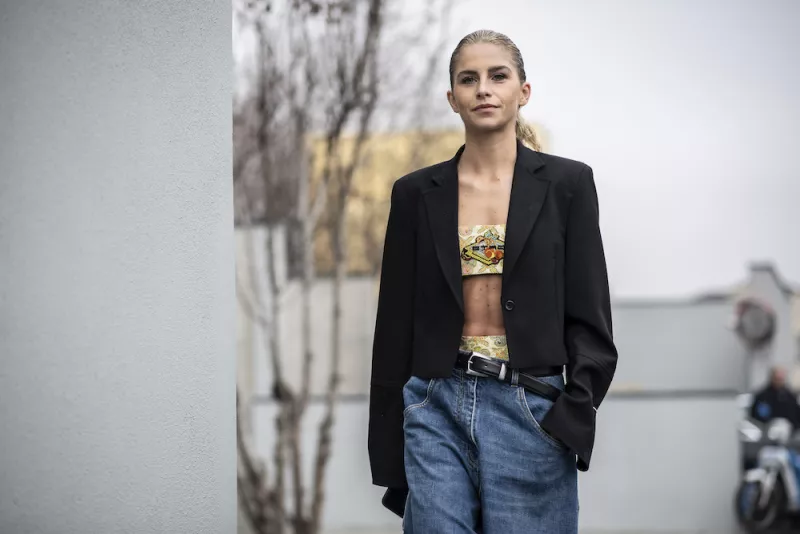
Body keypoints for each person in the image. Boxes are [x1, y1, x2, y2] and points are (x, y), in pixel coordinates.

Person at [368, 29, 618, 533]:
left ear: (522, 91)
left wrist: (572, 412)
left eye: (497, 76)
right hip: (435, 403)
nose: (483, 88)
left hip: (531, 407)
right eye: (469, 79)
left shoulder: (567, 185)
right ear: (453, 98)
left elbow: (591, 316)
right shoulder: (416, 194)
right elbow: (393, 326)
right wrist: (390, 453)